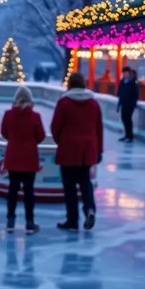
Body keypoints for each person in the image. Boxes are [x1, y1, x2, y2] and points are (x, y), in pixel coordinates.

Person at [51, 72, 103, 233]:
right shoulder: (93, 104)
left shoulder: (64, 103)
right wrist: (98, 150)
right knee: (85, 182)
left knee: (70, 187)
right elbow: (98, 129)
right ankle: (89, 209)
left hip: (68, 149)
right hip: (87, 151)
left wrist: (62, 140)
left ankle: (72, 221)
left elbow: (55, 127)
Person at [1, 86, 45, 235]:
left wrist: (14, 140)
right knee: (28, 192)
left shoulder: (8, 115)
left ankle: (10, 221)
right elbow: (41, 136)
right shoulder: (35, 116)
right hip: (29, 159)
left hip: (13, 157)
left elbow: (4, 133)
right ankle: (29, 222)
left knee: (12, 190)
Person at [117, 66, 139, 143]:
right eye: (124, 73)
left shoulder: (133, 82)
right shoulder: (122, 81)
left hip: (130, 104)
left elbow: (135, 94)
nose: (125, 74)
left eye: (126, 73)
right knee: (124, 118)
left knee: (128, 119)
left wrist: (133, 103)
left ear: (129, 73)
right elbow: (119, 90)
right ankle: (126, 135)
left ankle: (130, 136)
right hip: (123, 102)